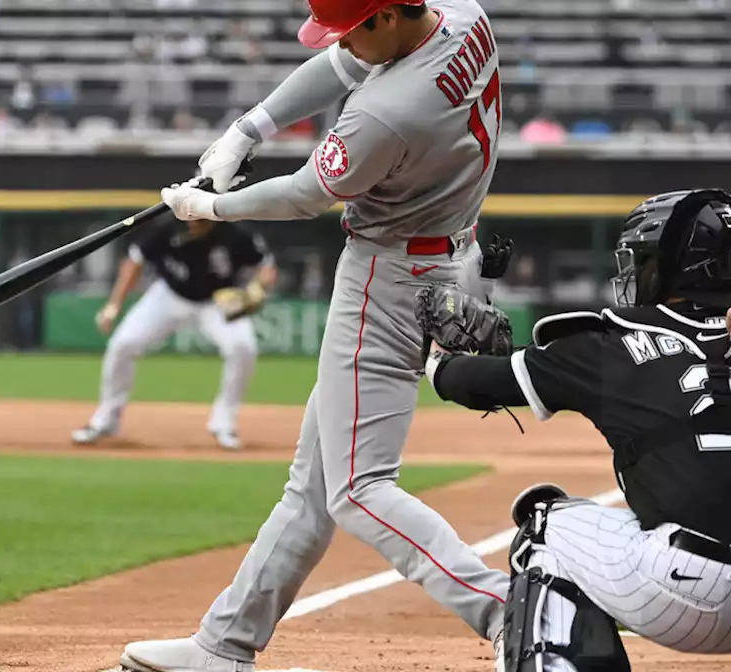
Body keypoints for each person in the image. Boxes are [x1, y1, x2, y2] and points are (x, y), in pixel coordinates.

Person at [118, 0, 512, 669]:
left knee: (359, 488)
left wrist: (209, 206)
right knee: (314, 485)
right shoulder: (463, 16)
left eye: (354, 25)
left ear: (386, 16)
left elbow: (304, 196)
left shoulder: (388, 110)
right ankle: (224, 644)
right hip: (445, 253)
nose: (345, 42)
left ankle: (511, 613)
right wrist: (250, 128)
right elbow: (342, 60)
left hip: (388, 277)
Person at [422, 189, 731, 670]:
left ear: (674, 267)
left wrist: (437, 353)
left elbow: (472, 383)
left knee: (545, 526)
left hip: (690, 591)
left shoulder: (613, 344)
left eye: (644, 260)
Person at [74, 217, 277, 451]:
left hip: (218, 300)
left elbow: (267, 267)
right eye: (190, 216)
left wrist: (257, 290)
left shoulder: (235, 233)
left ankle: (224, 422)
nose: (193, 222)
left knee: (243, 347)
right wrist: (114, 305)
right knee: (123, 344)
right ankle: (107, 419)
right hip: (170, 295)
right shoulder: (166, 228)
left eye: (199, 217)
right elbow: (134, 263)